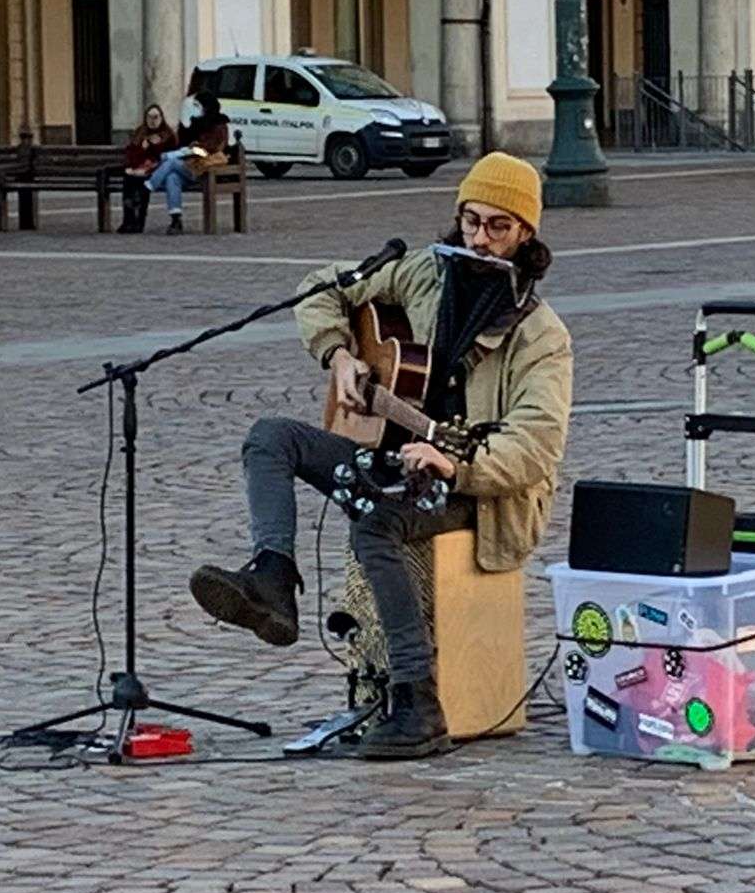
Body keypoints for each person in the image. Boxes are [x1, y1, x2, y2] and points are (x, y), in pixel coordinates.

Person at [187, 153, 573, 759]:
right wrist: (338, 353)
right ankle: (273, 577)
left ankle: (417, 701)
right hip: (392, 460)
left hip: (475, 493)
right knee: (271, 436)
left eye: (498, 227)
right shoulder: (423, 272)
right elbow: (320, 288)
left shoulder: (540, 335)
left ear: (526, 234)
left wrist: (456, 463)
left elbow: (535, 446)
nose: (479, 239)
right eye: (470, 221)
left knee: (377, 525)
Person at [144, 92, 231, 234]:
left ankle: (149, 186)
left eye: (198, 105)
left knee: (171, 163)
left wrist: (191, 149)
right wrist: (184, 128)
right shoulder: (194, 123)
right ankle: (176, 220)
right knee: (172, 177)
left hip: (204, 167)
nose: (195, 108)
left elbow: (210, 148)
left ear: (206, 106)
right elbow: (182, 145)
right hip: (189, 166)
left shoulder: (219, 124)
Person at [117, 103, 175, 234]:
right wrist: (138, 157)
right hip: (138, 168)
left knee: (142, 182)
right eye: (149, 117)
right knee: (129, 179)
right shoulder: (140, 132)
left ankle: (139, 221)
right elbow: (131, 154)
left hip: (156, 171)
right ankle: (128, 220)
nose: (152, 121)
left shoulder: (167, 135)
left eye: (156, 117)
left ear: (161, 118)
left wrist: (154, 147)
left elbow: (166, 157)